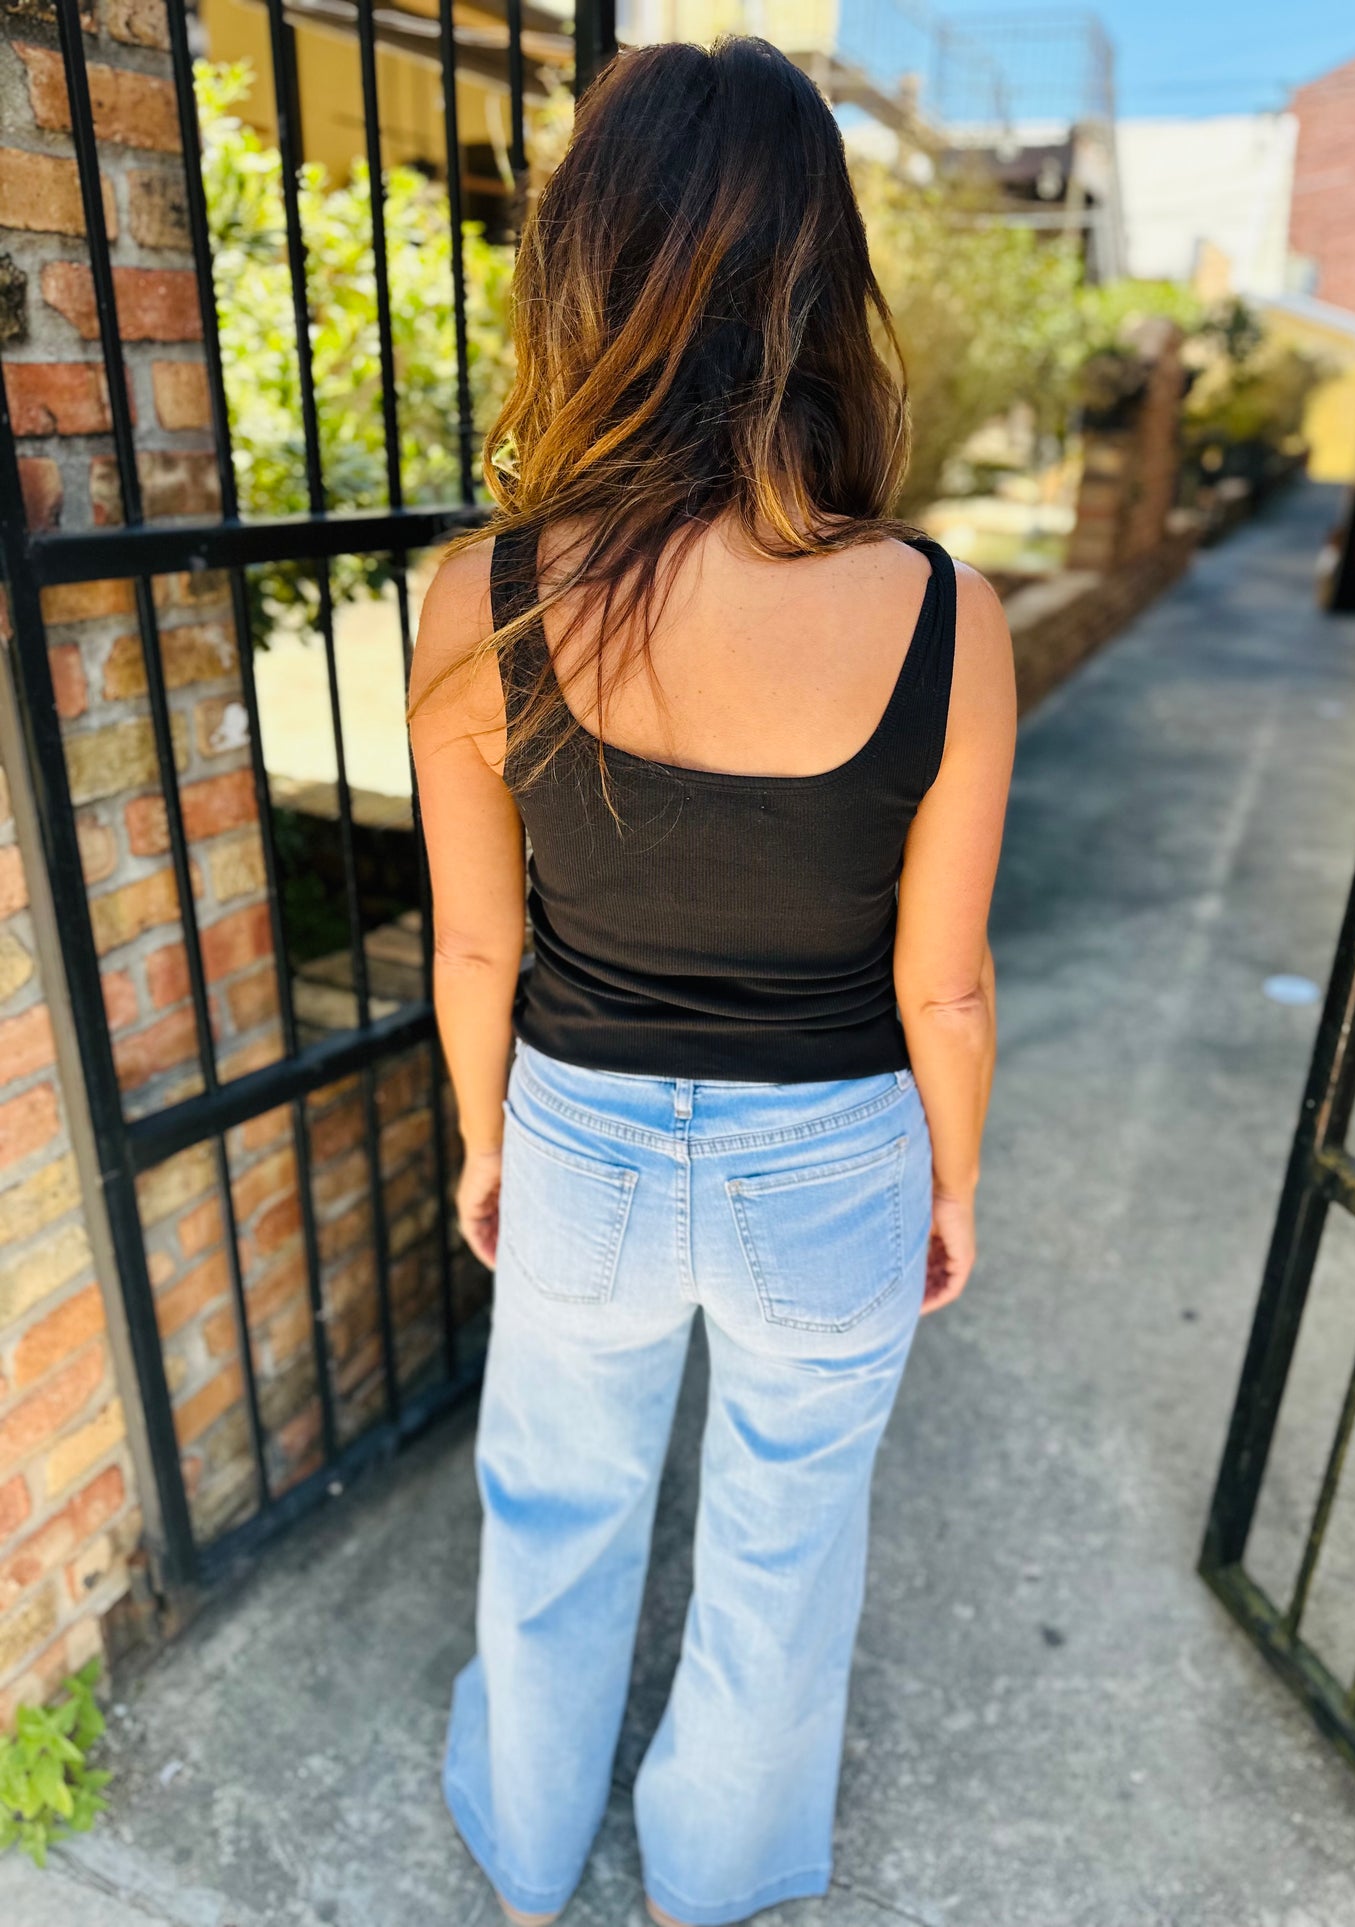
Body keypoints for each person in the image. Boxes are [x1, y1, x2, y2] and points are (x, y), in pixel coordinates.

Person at [407, 34, 1015, 1927]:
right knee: (781, 1549)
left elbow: (478, 945)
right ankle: (713, 1877)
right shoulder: (942, 611)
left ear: (582, 270)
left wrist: (483, 1145)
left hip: (578, 1140)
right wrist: (952, 1183)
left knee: (552, 1510)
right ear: (824, 290)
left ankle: (525, 1848)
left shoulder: (483, 594)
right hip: (830, 1159)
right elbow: (946, 991)